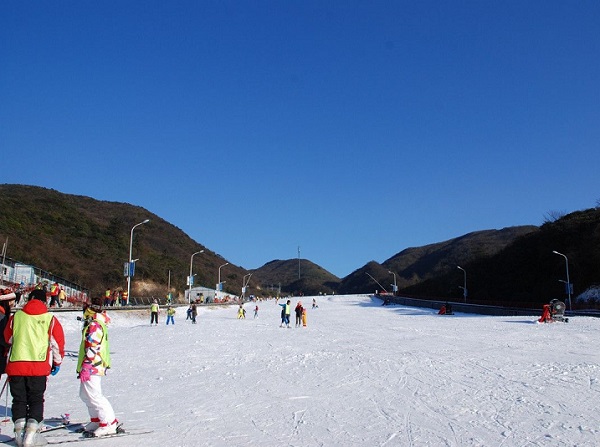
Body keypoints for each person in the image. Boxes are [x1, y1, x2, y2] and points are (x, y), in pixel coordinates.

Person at [4, 288, 65, 447]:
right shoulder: (50, 319)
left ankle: (19, 432)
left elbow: (7, 338)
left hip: (16, 365)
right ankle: (32, 434)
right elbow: (57, 344)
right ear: (45, 301)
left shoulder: (16, 317)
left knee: (19, 400)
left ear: (29, 299)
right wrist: (57, 363)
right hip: (39, 367)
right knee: (36, 399)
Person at [77, 297, 119, 437]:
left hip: (93, 365)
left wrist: (87, 365)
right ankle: (96, 419)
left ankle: (108, 423)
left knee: (94, 395)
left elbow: (93, 346)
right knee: (85, 394)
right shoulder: (94, 323)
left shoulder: (95, 325)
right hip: (90, 365)